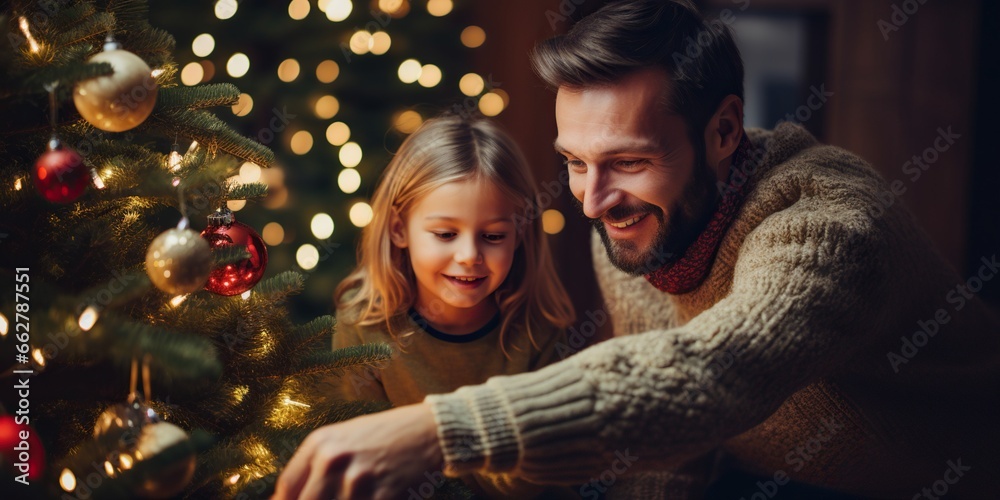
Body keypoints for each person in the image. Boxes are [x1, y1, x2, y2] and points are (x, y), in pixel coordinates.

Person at [274, 1, 1000, 498]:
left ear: (722, 133)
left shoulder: (829, 225)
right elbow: (675, 444)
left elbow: (711, 372)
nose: (590, 201)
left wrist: (440, 428)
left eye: (626, 161)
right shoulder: (634, 226)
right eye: (575, 162)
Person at [328, 113, 577, 498]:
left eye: (493, 236)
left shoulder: (539, 330)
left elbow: (543, 480)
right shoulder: (363, 325)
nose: (469, 255)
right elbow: (357, 465)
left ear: (520, 232)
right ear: (398, 229)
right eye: (445, 234)